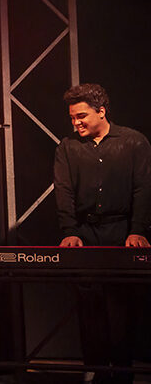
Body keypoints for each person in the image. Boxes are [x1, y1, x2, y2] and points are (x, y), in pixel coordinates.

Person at [52, 83, 150, 384]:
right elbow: (64, 190)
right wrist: (70, 231)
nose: (75, 122)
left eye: (81, 116)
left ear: (101, 111)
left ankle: (122, 371)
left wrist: (136, 231)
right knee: (89, 303)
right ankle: (94, 368)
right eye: (72, 118)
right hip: (86, 230)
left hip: (121, 229)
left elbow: (143, 189)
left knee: (122, 304)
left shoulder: (134, 142)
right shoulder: (67, 147)